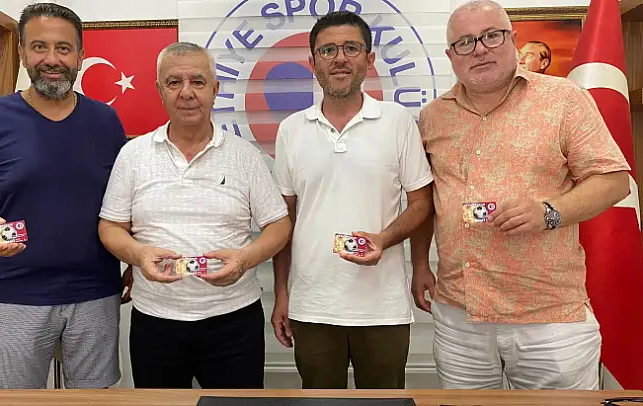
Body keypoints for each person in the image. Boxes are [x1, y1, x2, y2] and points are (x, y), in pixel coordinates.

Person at [412, 0, 630, 390]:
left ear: (513, 39)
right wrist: (418, 265)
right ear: (450, 55)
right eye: (465, 42)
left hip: (549, 320)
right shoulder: (432, 117)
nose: (479, 49)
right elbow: (427, 200)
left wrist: (549, 211)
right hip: (459, 316)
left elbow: (614, 181)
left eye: (491, 36)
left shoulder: (564, 99)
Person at [0, 2, 127, 389]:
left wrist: (135, 258)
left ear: (80, 55)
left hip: (95, 292)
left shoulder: (106, 120)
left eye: (63, 48)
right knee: (15, 402)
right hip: (14, 294)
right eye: (39, 47)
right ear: (22, 53)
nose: (52, 59)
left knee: (95, 403)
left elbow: (124, 205)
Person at [97, 41, 292, 389]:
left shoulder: (244, 156)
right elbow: (110, 226)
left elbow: (279, 224)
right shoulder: (133, 155)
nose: (186, 93)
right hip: (155, 321)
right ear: (159, 90)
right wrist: (138, 255)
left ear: (215, 89)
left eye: (197, 82)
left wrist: (245, 259)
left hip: (234, 320)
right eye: (174, 82)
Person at [271, 11, 434, 389]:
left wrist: (387, 241)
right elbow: (284, 220)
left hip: (382, 308)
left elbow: (422, 203)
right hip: (313, 307)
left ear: (369, 59)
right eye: (328, 50)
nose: (339, 58)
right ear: (313, 62)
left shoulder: (397, 121)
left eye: (351, 48)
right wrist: (281, 293)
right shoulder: (291, 130)